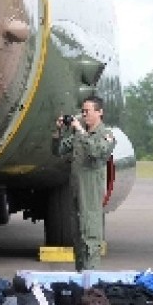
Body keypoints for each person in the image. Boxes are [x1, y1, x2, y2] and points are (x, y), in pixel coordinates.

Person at [51, 95, 116, 272]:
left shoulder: (106, 135)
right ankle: (81, 281)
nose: (84, 114)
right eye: (83, 111)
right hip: (76, 192)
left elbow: (96, 151)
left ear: (99, 112)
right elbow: (58, 150)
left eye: (87, 111)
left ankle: (92, 284)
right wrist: (58, 132)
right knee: (78, 238)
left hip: (91, 192)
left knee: (91, 238)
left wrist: (80, 130)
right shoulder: (80, 136)